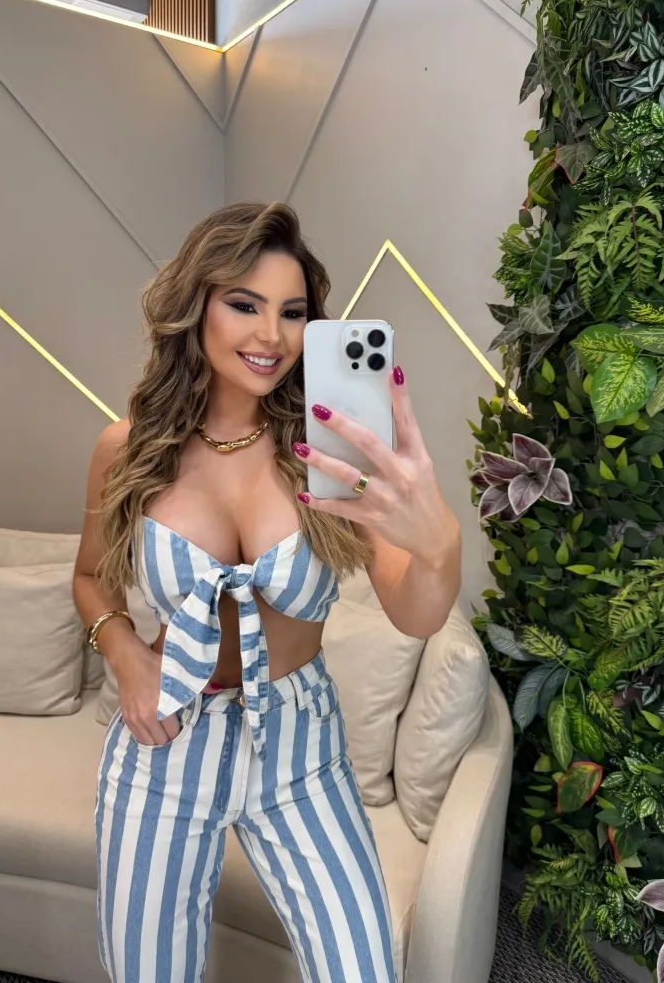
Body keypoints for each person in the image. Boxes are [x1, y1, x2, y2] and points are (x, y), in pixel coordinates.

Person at [72, 201, 462, 983]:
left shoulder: (329, 451)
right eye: (245, 305)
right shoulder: (128, 449)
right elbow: (90, 578)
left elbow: (416, 613)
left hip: (298, 746)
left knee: (361, 970)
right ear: (197, 306)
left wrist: (438, 542)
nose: (271, 336)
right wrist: (125, 655)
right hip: (165, 743)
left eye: (292, 312)